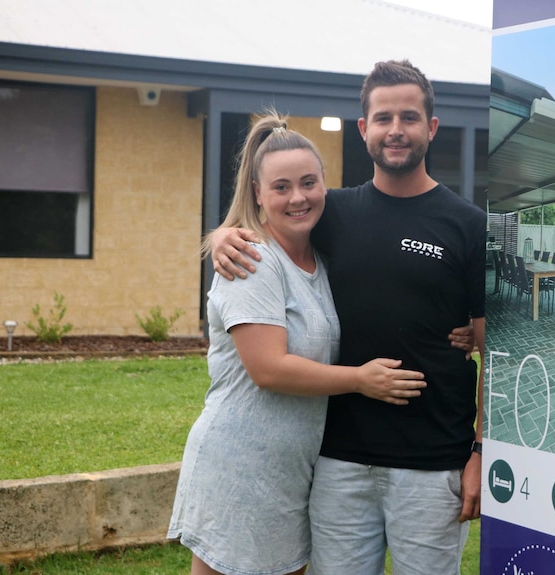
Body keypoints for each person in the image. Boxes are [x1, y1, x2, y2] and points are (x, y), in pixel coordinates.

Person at [211, 60, 485, 575]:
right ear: (364, 129)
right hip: (338, 461)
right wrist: (221, 237)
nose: (396, 130)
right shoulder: (330, 211)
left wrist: (478, 452)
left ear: (432, 127)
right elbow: (269, 221)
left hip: (432, 463)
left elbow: (494, 353)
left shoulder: (468, 226)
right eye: (383, 118)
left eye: (409, 116)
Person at [168, 111, 427, 575]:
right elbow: (269, 369)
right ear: (258, 195)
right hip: (241, 462)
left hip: (292, 471)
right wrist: (361, 380)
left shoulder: (321, 258)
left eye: (308, 183)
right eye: (281, 187)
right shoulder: (253, 260)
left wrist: (459, 324)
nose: (298, 197)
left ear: (326, 184)